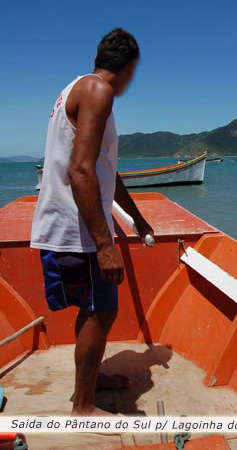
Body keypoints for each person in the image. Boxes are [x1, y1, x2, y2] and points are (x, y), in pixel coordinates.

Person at [30, 28, 154, 415]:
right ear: (130, 68)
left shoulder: (78, 88)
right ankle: (83, 406)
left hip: (73, 225)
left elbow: (104, 171)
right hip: (77, 229)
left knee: (95, 308)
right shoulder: (99, 92)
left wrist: (137, 217)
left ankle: (92, 379)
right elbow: (80, 170)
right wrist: (105, 246)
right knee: (100, 311)